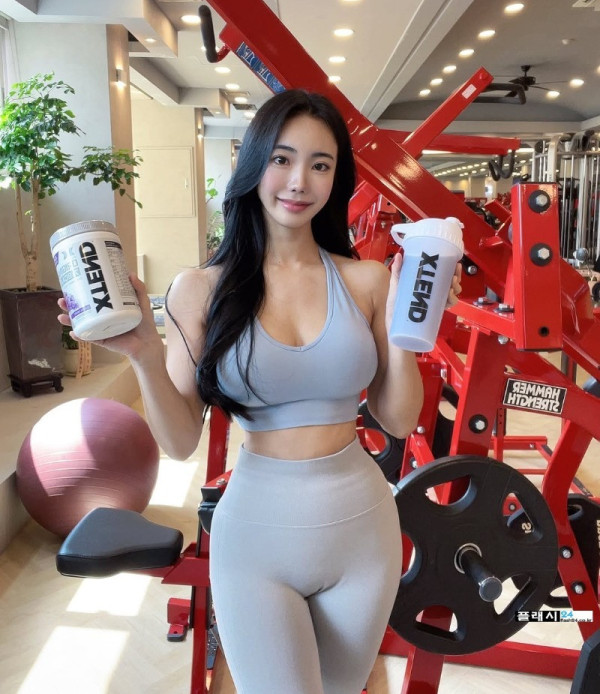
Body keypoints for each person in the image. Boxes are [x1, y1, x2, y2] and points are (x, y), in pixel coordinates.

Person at [59, 89, 461, 694]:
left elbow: (399, 420)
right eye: (282, 158)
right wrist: (143, 350)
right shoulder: (201, 289)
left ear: (335, 180)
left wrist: (412, 325)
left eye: (320, 165)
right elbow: (179, 440)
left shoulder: (368, 280)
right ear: (253, 165)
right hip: (257, 537)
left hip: (362, 531)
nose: (299, 181)